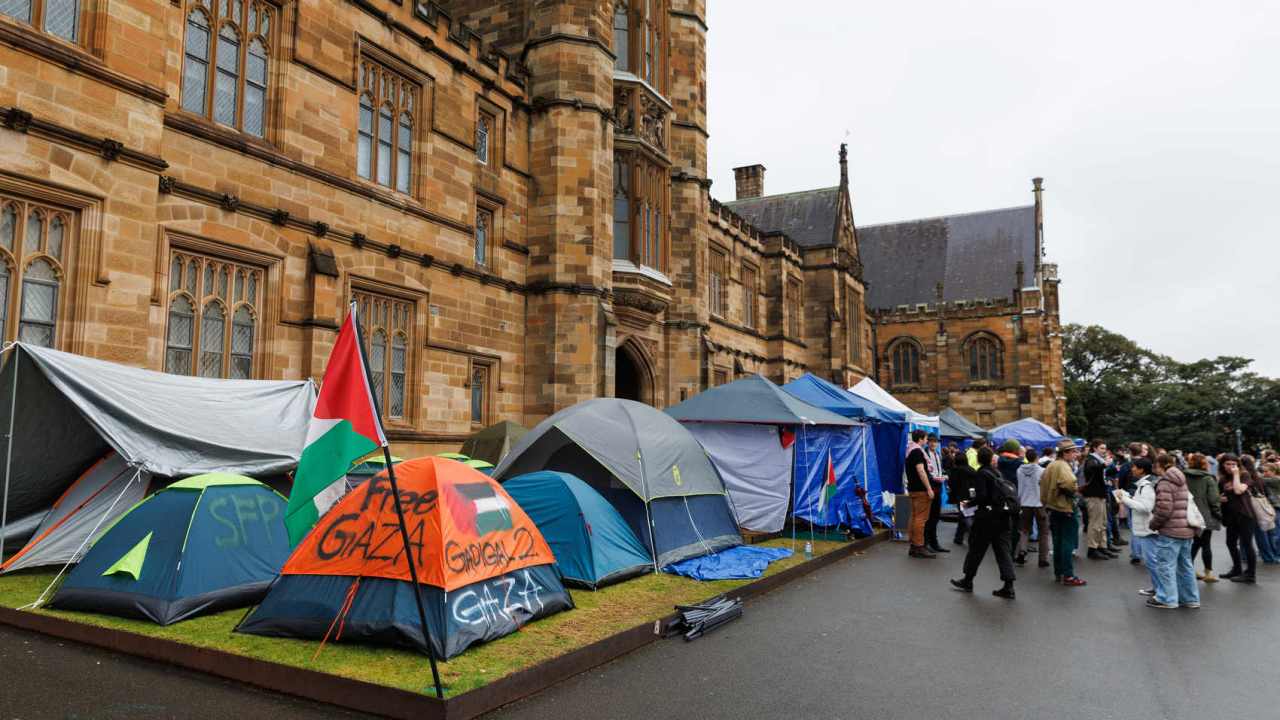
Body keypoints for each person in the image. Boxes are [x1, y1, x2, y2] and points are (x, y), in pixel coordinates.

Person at [950, 446, 1018, 599]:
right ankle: (1009, 585)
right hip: (1003, 517)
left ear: (979, 459)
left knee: (976, 549)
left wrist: (970, 503)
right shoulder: (997, 473)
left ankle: (968, 580)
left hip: (986, 519)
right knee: (1003, 552)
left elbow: (982, 496)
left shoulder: (982, 474)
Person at [1146, 454, 1200, 609]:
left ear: (1160, 466)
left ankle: (1167, 598)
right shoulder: (1181, 480)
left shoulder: (1164, 483)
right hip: (1186, 529)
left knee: (1165, 566)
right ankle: (1190, 598)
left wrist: (1153, 524)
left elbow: (1164, 510)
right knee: (1185, 566)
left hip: (1170, 530)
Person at [1041, 438, 1086, 586]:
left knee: (1058, 541)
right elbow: (1068, 483)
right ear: (1065, 453)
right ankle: (1068, 575)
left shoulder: (1051, 465)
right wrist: (1074, 491)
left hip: (1053, 508)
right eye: (1073, 451)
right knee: (1067, 542)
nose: (1076, 454)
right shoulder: (1063, 466)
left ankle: (1059, 572)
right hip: (1065, 508)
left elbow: (1042, 485)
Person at [1115, 458, 1157, 595]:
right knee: (1152, 561)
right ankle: (1157, 588)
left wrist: (1125, 499)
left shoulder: (1147, 485)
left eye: (1134, 467)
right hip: (1147, 528)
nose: (1132, 469)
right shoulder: (1144, 484)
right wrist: (1129, 498)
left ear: (1141, 470)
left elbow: (1145, 507)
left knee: (1153, 562)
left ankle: (1160, 590)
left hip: (1147, 529)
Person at [1218, 453, 1258, 584]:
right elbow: (1219, 496)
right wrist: (1220, 499)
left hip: (1245, 514)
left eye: (1233, 464)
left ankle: (1250, 574)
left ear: (1238, 465)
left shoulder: (1244, 475)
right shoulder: (1223, 479)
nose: (1230, 467)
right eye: (1227, 464)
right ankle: (1237, 569)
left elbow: (1238, 490)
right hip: (1231, 516)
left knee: (1246, 544)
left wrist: (1236, 475)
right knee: (1230, 543)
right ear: (1222, 465)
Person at [1185, 453, 1222, 582]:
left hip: (1188, 514)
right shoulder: (1208, 478)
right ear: (1204, 464)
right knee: (1205, 544)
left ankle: (1188, 569)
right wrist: (1218, 513)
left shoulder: (1184, 476)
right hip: (1205, 515)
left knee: (1194, 542)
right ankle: (1208, 573)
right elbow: (1213, 499)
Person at [1016, 447, 1050, 568]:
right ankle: (1043, 558)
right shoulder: (1042, 471)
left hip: (1024, 502)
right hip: (1039, 503)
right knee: (1043, 532)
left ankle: (1022, 551)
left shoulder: (1019, 470)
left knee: (1024, 530)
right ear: (1037, 458)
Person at [1081, 440, 1115, 560]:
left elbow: (1102, 473)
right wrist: (1105, 465)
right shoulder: (1091, 459)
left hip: (1100, 494)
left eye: (1104, 448)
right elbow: (1092, 468)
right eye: (1101, 448)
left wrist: (1113, 468)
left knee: (1102, 522)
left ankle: (1102, 546)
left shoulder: (1098, 460)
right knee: (1095, 523)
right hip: (1094, 495)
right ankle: (1092, 549)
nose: (1104, 450)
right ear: (1094, 448)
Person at [1242, 455, 1280, 564]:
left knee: (1264, 533)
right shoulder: (1258, 478)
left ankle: (1269, 556)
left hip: (1260, 507)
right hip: (1267, 507)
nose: (1264, 473)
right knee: (1269, 533)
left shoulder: (1270, 480)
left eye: (1266, 471)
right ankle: (1272, 555)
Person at [905, 429, 936, 559]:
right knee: (921, 519)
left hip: (913, 488)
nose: (927, 440)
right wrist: (929, 488)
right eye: (926, 438)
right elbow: (921, 470)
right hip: (920, 489)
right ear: (921, 439)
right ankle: (919, 546)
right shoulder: (917, 451)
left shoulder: (910, 450)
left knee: (914, 517)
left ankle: (913, 545)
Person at [953, 438, 987, 546]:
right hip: (969, 492)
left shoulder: (959, 468)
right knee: (967, 515)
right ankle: (972, 537)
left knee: (964, 515)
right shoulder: (972, 457)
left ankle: (959, 537)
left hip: (962, 493)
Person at [923, 434, 950, 554]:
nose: (933, 443)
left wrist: (943, 475)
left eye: (935, 441)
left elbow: (938, 469)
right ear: (927, 442)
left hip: (938, 486)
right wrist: (933, 479)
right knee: (929, 517)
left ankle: (934, 542)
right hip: (930, 486)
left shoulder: (937, 454)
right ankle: (926, 542)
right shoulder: (925, 453)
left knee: (935, 515)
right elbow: (924, 471)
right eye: (931, 441)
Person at [1260, 462, 1280, 564]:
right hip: (1271, 507)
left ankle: (1276, 555)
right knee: (1273, 533)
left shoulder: (1275, 480)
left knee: (1275, 533)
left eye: (1266, 471)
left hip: (1275, 508)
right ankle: (1275, 554)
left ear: (1273, 471)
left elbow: (1260, 480)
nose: (1264, 473)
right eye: (1263, 471)